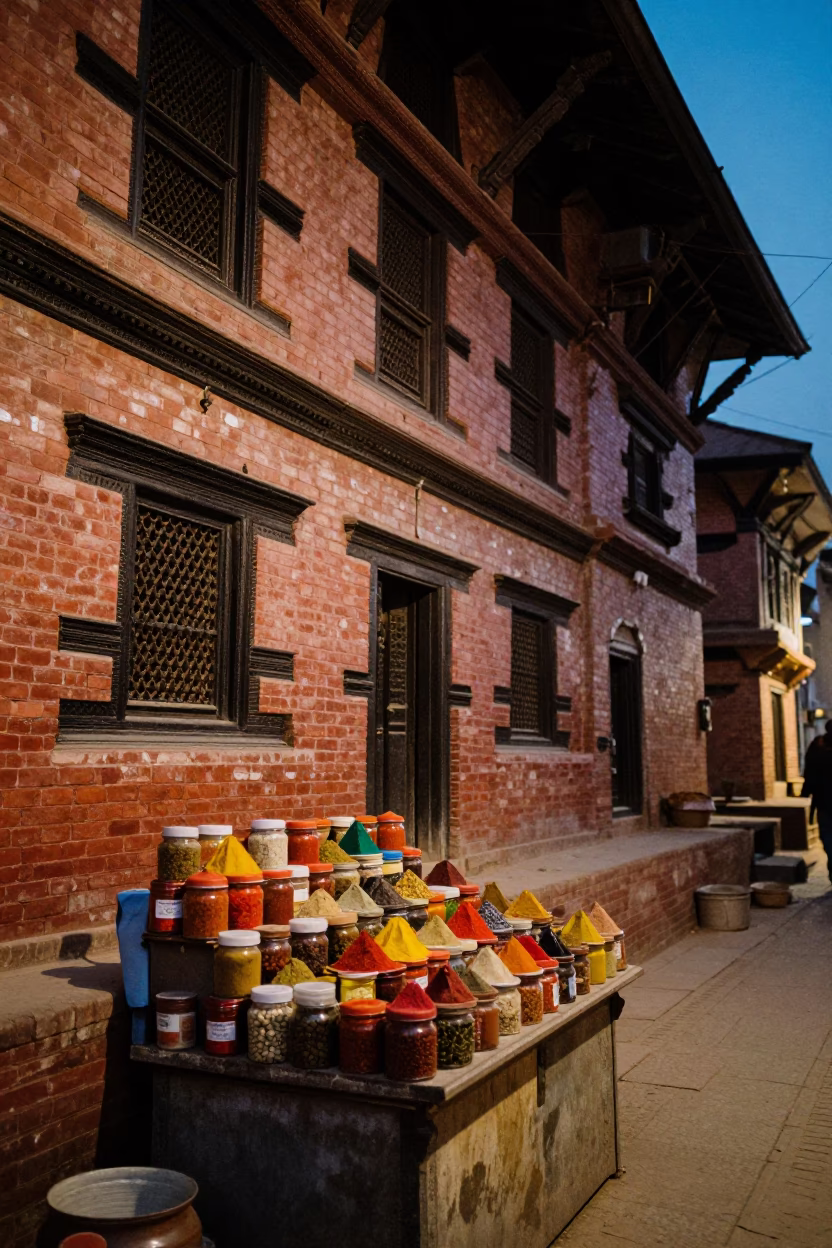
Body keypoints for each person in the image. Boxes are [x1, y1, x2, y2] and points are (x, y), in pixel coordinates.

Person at [802, 720, 832, 883]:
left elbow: (809, 771)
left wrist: (805, 792)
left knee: (827, 837)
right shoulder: (818, 746)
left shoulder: (818, 745)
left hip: (823, 802)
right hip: (824, 801)